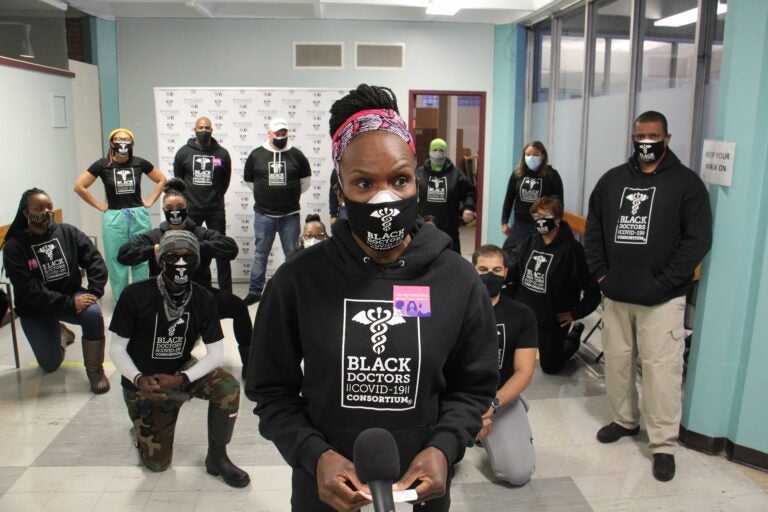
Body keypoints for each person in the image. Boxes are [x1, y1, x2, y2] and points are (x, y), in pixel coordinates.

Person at [246, 84, 498, 512]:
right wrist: (314, 455)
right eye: (364, 183)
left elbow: (473, 388)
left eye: (399, 180)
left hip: (421, 493)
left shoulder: (457, 279)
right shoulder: (297, 281)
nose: (385, 199)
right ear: (340, 189)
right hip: (323, 491)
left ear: (416, 180)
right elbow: (271, 391)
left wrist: (444, 447)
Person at [584, 110, 713, 482]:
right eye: (641, 135)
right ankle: (624, 420)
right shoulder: (612, 182)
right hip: (617, 295)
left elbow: (697, 241)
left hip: (662, 299)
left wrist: (663, 282)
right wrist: (601, 275)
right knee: (619, 364)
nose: (646, 142)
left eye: (654, 136)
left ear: (667, 139)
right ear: (632, 137)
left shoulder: (687, 185)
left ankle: (663, 444)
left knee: (661, 373)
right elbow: (593, 231)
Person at [109, 230, 250, 487]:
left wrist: (182, 379)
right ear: (161, 261)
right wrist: (138, 379)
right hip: (144, 381)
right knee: (158, 465)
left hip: (180, 372)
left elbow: (216, 353)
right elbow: (117, 348)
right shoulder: (135, 295)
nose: (181, 263)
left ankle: (218, 457)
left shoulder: (203, 298)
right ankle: (142, 430)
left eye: (188, 257)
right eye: (173, 257)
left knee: (227, 387)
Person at [117, 179, 252, 377]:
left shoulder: (199, 233)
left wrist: (193, 246)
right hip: (163, 299)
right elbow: (124, 254)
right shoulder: (155, 236)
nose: (174, 211)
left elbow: (230, 247)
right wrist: (155, 249)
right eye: (169, 208)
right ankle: (141, 362)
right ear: (163, 210)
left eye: (179, 207)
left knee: (238, 306)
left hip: (200, 297)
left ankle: (250, 363)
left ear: (187, 208)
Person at [1, 188, 110, 393]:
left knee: (93, 314)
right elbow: (28, 289)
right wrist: (68, 303)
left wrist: (94, 291)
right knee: (50, 365)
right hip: (36, 310)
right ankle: (61, 334)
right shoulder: (15, 246)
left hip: (70, 297)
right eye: (39, 208)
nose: (46, 211)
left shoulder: (68, 232)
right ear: (26, 213)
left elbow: (94, 259)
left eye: (49, 206)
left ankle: (95, 371)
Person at [508, 196, 600, 374]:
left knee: (551, 367)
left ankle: (573, 336)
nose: (540, 220)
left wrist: (575, 314)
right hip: (525, 312)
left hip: (551, 319)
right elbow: (516, 271)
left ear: (557, 219)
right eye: (536, 216)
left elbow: (592, 291)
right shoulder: (531, 241)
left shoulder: (572, 250)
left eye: (546, 215)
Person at [74, 128, 166, 300]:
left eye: (126, 139)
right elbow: (79, 185)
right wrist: (99, 205)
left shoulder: (139, 163)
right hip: (114, 218)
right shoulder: (102, 165)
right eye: (118, 139)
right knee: (117, 259)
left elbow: (162, 179)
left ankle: (141, 298)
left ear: (132, 143)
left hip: (138, 216)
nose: (122, 142)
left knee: (142, 256)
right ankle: (122, 301)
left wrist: (151, 200)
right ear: (112, 143)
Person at [472, 244, 537, 486]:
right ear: (472, 271)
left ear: (506, 273)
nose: (490, 275)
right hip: (457, 397)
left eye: (496, 270)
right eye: (483, 269)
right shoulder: (455, 307)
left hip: (498, 399)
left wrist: (492, 407)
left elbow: (525, 372)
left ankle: (513, 414)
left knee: (517, 474)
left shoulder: (522, 314)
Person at [242, 117, 311, 305]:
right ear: (269, 133)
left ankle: (293, 290)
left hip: (290, 215)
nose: (280, 136)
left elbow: (305, 183)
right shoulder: (256, 155)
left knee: (292, 255)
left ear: (287, 133)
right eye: (277, 133)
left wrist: (287, 194)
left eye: (283, 133)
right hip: (264, 214)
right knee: (260, 254)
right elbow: (250, 181)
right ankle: (255, 291)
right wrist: (267, 194)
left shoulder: (297, 155)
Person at [173, 116, 233, 291]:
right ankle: (190, 287)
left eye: (207, 127)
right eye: (201, 127)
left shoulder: (222, 153)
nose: (204, 130)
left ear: (212, 130)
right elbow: (178, 180)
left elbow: (225, 180)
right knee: (188, 248)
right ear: (194, 129)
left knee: (221, 250)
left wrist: (215, 197)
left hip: (215, 210)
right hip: (191, 210)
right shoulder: (183, 152)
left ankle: (226, 292)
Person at [501, 141, 563, 256]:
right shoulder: (517, 175)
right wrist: (504, 221)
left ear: (543, 156)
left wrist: (556, 223)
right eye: (528, 155)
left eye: (535, 155)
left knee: (536, 254)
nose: (531, 158)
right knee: (515, 254)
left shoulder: (552, 175)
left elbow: (559, 202)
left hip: (542, 222)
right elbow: (509, 199)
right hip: (521, 223)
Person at [416, 138, 476, 253]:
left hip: (449, 225)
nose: (438, 153)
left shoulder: (455, 174)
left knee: (451, 260)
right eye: (435, 150)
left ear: (446, 152)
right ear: (429, 151)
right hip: (424, 226)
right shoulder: (419, 173)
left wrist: (468, 208)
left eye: (441, 150)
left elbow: (469, 192)